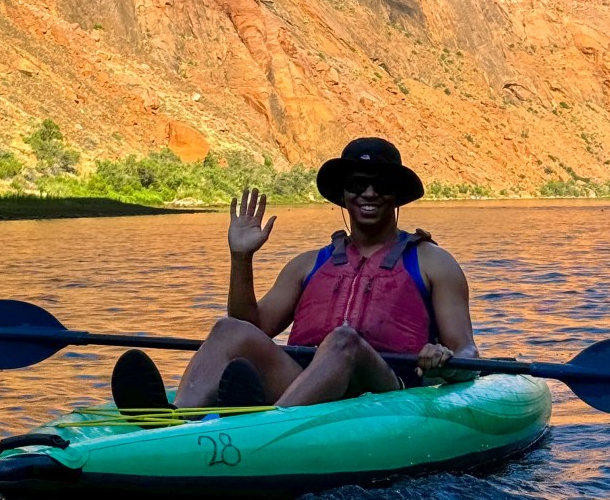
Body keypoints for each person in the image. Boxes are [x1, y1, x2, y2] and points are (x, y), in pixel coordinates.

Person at [111, 137, 477, 411]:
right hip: (305, 383)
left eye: (381, 185)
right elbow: (251, 328)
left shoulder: (433, 263)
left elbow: (467, 351)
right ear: (343, 196)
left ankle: (270, 427)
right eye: (356, 184)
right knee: (227, 329)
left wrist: (443, 358)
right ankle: (174, 418)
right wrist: (241, 258)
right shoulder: (307, 264)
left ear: (396, 196)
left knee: (343, 340)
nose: (369, 193)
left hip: (386, 389)